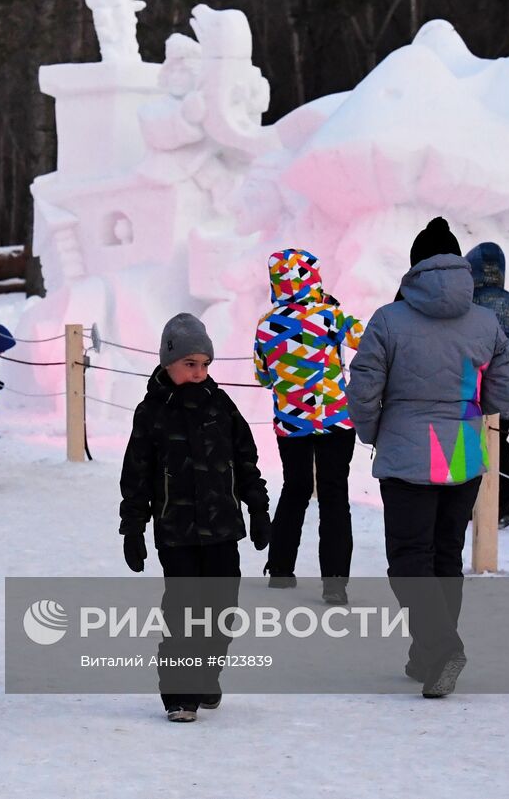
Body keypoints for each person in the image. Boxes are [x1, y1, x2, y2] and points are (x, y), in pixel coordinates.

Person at [348, 217, 509, 699]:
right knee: (444, 556)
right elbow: (505, 386)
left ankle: (442, 646)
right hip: (462, 453)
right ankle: (427, 655)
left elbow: (364, 387)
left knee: (408, 559)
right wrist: (482, 412)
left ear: (415, 267)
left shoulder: (388, 319)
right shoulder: (485, 321)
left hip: (407, 453)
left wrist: (371, 431)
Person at [119, 313, 271, 722]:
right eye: (190, 364)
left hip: (223, 529)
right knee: (184, 613)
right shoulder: (151, 412)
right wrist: (132, 527)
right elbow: (136, 476)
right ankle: (179, 694)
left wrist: (258, 508)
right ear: (169, 362)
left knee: (222, 612)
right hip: (177, 532)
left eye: (205, 365)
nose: (199, 373)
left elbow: (246, 461)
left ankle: (206, 675)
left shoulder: (220, 406)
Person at [253, 249, 363, 604]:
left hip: (291, 423)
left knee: (294, 489)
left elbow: (262, 377)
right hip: (334, 421)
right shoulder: (330, 315)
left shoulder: (266, 324)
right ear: (312, 278)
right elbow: (366, 340)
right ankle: (334, 584)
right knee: (334, 496)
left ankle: (281, 571)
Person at [465, 242, 509, 528]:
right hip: (507, 384)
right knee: (499, 441)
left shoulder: (467, 302)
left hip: (474, 384)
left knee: (470, 440)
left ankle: (475, 501)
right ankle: (508, 496)